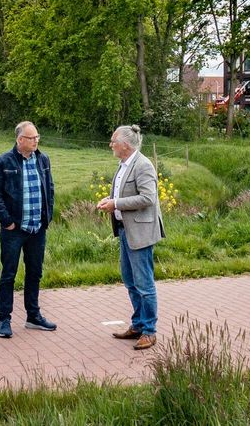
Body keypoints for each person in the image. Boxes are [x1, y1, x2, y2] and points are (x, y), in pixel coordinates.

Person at [96, 125, 165, 350]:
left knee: (144, 283)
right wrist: (111, 199)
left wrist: (115, 204)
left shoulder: (143, 165)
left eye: (113, 141)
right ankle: (137, 324)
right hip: (126, 229)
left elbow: (148, 197)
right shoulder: (124, 164)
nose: (110, 145)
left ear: (125, 145)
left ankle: (149, 331)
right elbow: (124, 193)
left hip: (141, 232)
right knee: (130, 280)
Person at [0, 121, 57, 339]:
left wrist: (48, 217)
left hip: (37, 228)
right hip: (14, 230)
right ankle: (4, 320)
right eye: (32, 138)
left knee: (35, 273)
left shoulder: (43, 160)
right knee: (9, 274)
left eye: (37, 137)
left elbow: (50, 189)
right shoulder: (3, 162)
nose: (36, 141)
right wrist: (7, 221)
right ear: (20, 140)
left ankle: (33, 316)